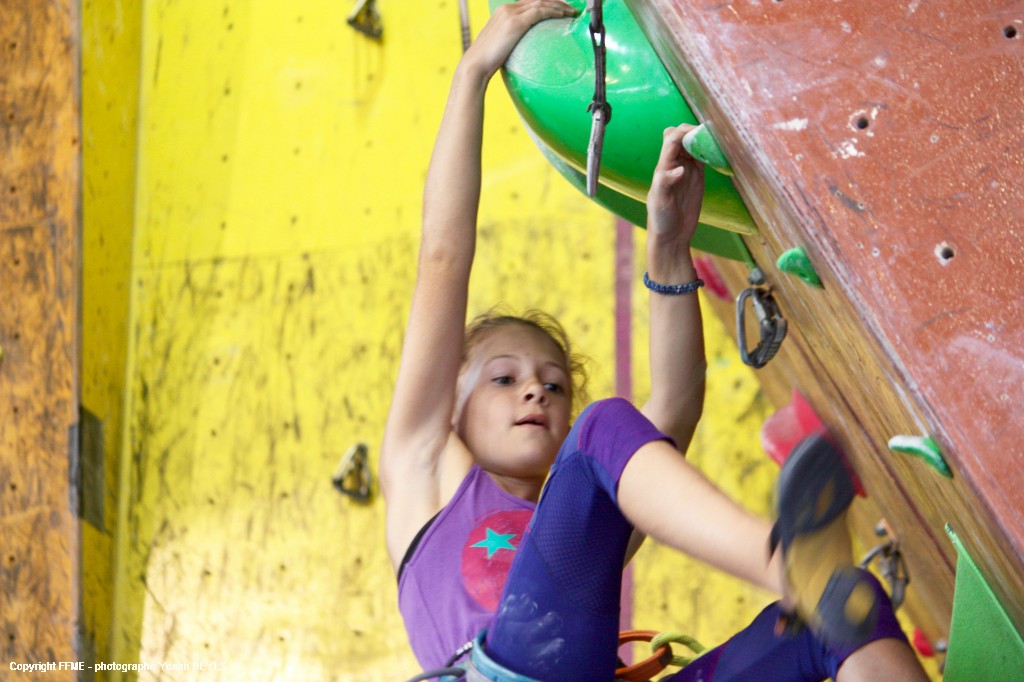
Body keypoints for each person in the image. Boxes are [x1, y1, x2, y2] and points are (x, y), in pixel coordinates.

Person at [380, 2, 931, 680]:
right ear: (452, 407)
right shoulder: (425, 465)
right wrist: (472, 73)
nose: (536, 391)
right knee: (605, 426)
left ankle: (809, 580)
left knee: (846, 607)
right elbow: (443, 259)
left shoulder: (584, 542)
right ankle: (784, 562)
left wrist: (669, 249)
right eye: (504, 378)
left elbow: (672, 409)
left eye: (554, 384)